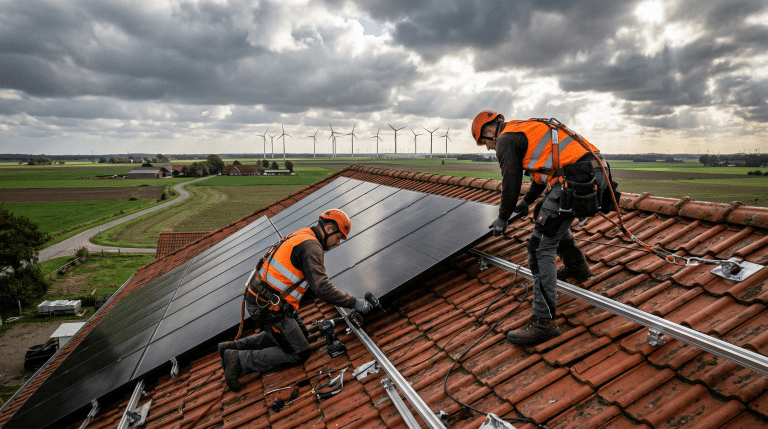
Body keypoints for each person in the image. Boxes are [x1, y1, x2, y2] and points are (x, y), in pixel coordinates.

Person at [471, 111, 609, 345]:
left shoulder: (505, 140)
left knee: (539, 248)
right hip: (592, 173)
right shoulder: (522, 130)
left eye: (484, 142)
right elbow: (540, 176)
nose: (487, 148)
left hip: (575, 180)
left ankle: (544, 321)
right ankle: (578, 267)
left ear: (489, 131)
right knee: (544, 214)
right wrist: (525, 204)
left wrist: (503, 217)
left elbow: (510, 180)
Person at [219, 209, 372, 391]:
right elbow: (322, 288)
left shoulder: (303, 234)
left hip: (269, 301)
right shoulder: (311, 246)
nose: (337, 243)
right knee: (299, 352)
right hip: (268, 307)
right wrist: (354, 302)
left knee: (300, 334)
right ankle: (239, 360)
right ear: (329, 228)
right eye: (338, 237)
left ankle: (233, 346)